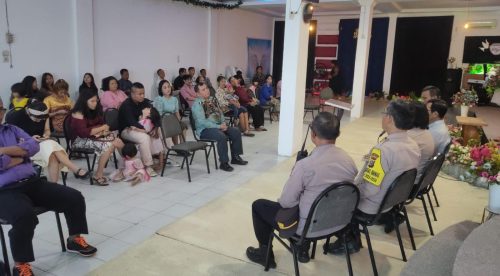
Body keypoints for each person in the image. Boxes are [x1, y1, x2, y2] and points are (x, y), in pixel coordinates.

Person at [0, 96, 97, 276]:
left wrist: (5, 152)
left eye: (0, 109)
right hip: (4, 191)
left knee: (74, 197)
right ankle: (21, 264)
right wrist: (21, 154)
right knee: (24, 215)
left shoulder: (11, 129)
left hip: (32, 183)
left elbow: (33, 146)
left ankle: (74, 240)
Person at [246, 112, 358, 267]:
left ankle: (266, 255)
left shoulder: (305, 166)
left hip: (307, 228)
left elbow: (286, 202)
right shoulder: (349, 161)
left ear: (313, 134)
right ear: (337, 134)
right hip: (338, 222)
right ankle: (302, 248)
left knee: (258, 206)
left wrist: (296, 170)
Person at [325, 100, 420, 255]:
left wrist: (347, 195)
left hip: (371, 207)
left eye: (384, 114)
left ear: (389, 118)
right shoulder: (413, 144)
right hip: (391, 202)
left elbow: (368, 189)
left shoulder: (384, 151)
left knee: (329, 197)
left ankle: (348, 239)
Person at [6, 100, 90, 183]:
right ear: (28, 112)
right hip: (23, 147)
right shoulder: (15, 117)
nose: (39, 121)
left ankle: (55, 185)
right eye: (36, 118)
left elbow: (47, 130)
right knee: (51, 148)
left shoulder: (43, 116)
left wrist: (46, 135)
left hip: (40, 144)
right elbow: (9, 138)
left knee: (52, 154)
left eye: (41, 119)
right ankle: (75, 169)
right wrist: (29, 139)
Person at [69, 91, 124, 185]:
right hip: (80, 141)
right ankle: (98, 175)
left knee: (118, 141)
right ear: (84, 101)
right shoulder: (78, 113)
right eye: (92, 101)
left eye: (96, 101)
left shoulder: (95, 109)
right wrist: (102, 128)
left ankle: (126, 167)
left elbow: (101, 123)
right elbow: (85, 133)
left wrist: (103, 131)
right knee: (109, 145)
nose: (95, 103)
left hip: (94, 137)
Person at [192, 83, 248, 172]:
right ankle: (224, 163)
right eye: (203, 90)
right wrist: (218, 126)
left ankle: (235, 157)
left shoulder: (212, 99)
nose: (207, 90)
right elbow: (202, 122)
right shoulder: (197, 105)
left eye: (206, 88)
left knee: (236, 131)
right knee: (221, 136)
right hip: (205, 130)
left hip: (219, 126)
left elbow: (220, 113)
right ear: (198, 94)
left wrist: (223, 123)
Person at [119, 82, 159, 177]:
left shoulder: (144, 102)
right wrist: (147, 131)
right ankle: (148, 165)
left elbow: (156, 115)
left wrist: (156, 128)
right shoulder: (126, 105)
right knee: (144, 138)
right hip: (126, 130)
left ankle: (159, 156)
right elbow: (132, 122)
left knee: (159, 131)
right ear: (132, 94)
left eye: (143, 93)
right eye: (139, 94)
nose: (142, 96)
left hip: (140, 127)